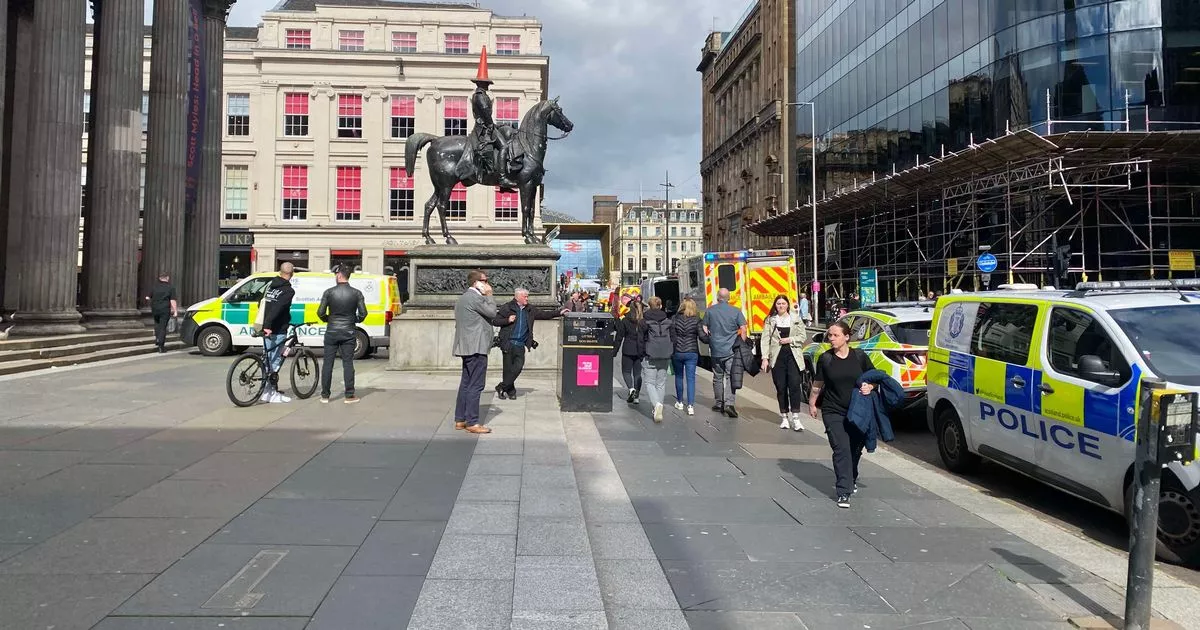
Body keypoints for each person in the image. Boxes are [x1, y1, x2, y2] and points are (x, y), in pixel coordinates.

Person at [808, 321, 875, 508]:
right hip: (832, 410)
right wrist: (812, 403)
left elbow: (874, 377)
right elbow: (817, 384)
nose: (831, 339)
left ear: (847, 337)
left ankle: (851, 477)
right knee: (841, 448)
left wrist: (870, 386)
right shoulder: (826, 358)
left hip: (857, 410)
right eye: (829, 335)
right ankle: (843, 491)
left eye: (835, 335)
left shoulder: (860, 357)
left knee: (854, 449)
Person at [491, 288, 569, 400]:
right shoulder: (507, 307)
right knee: (508, 369)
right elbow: (495, 321)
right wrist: (507, 320)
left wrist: (559, 312)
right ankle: (511, 391)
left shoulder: (530, 309)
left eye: (527, 296)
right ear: (517, 297)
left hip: (520, 344)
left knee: (517, 368)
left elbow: (544, 315)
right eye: (525, 296)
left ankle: (501, 386)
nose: (527, 298)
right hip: (508, 342)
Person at [453, 269, 504, 434]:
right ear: (477, 283)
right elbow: (491, 312)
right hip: (476, 346)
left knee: (466, 383)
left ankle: (460, 419)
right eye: (485, 281)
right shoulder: (475, 297)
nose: (488, 285)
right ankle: (472, 422)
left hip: (467, 346)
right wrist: (489, 296)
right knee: (476, 385)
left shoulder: (463, 298)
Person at [317, 265, 368, 404]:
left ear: (339, 275)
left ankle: (325, 395)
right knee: (348, 363)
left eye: (336, 274)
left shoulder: (329, 292)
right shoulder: (356, 293)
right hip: (348, 331)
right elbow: (363, 313)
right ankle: (349, 395)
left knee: (328, 363)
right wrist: (354, 320)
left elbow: (320, 312)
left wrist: (328, 319)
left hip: (332, 330)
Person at [762, 295, 805, 432]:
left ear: (787, 305)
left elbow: (802, 336)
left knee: (794, 385)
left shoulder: (795, 318)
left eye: (783, 303)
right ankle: (784, 417)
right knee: (781, 387)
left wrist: (790, 339)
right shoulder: (771, 320)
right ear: (775, 305)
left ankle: (796, 418)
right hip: (778, 357)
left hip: (793, 356)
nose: (780, 306)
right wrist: (765, 358)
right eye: (778, 304)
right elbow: (765, 339)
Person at [702, 288, 747, 418]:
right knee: (730, 376)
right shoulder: (735, 311)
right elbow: (743, 329)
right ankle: (729, 403)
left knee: (717, 377)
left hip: (716, 349)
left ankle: (718, 403)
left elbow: (704, 328)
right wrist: (741, 343)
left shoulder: (710, 311)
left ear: (717, 297)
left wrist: (711, 336)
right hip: (731, 349)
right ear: (729, 298)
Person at [260, 262, 297, 403]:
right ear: (292, 274)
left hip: (265, 327)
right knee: (274, 362)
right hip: (276, 329)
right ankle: (271, 393)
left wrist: (264, 324)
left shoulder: (271, 285)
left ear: (280, 272)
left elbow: (263, 303)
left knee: (267, 360)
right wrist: (269, 325)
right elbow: (278, 308)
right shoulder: (288, 291)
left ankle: (265, 391)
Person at [641, 295, 673, 422]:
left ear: (649, 306)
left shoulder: (644, 321)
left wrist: (641, 353)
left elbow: (641, 339)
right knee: (661, 383)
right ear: (660, 306)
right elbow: (673, 339)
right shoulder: (668, 321)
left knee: (649, 382)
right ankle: (658, 406)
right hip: (665, 354)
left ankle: (656, 405)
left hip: (650, 354)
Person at [670, 296, 701, 416]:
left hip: (677, 352)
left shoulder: (674, 319)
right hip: (692, 352)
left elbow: (671, 335)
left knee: (679, 377)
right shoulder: (697, 319)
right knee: (691, 379)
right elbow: (702, 336)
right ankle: (690, 406)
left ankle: (679, 401)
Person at [613, 299, 645, 404]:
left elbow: (619, 337)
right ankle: (636, 397)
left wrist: (614, 351)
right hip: (640, 350)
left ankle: (631, 389)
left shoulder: (625, 320)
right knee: (637, 373)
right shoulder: (643, 321)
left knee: (626, 371)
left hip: (628, 349)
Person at [146, 270, 178, 353]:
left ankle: (157, 339)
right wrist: (175, 311)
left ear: (160, 278)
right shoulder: (171, 287)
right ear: (167, 278)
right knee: (163, 326)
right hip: (165, 309)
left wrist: (152, 302)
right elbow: (172, 300)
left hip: (155, 309)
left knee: (157, 324)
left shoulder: (154, 287)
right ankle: (161, 346)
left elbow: (148, 297)